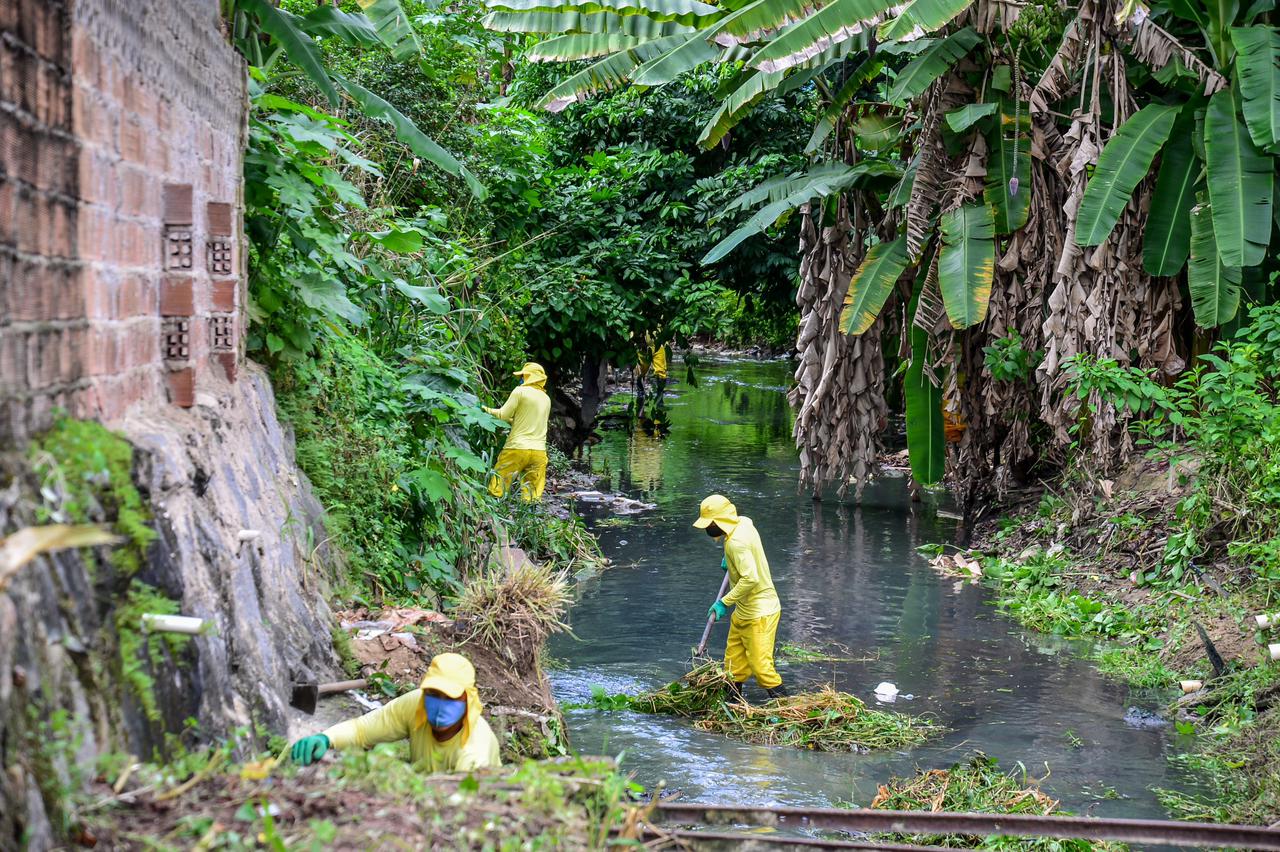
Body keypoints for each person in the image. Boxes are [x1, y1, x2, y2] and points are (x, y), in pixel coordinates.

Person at [289, 653, 502, 773]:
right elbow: (362, 730)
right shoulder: (415, 705)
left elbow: (461, 803)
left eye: (451, 698)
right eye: (434, 694)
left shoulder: (474, 750)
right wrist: (326, 738)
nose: (440, 704)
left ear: (468, 699)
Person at [693, 494, 787, 702]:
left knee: (762, 668)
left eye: (710, 524)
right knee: (733, 666)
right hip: (744, 612)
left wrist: (723, 602)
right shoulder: (743, 523)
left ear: (719, 522)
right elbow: (746, 529)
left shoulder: (736, 543)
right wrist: (729, 558)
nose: (708, 529)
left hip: (761, 613)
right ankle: (731, 706)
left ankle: (786, 709)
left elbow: (750, 579)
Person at [483, 362, 551, 501]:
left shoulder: (520, 391)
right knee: (532, 494)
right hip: (539, 452)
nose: (521, 379)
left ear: (529, 377)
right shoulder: (546, 398)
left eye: (523, 376)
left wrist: (484, 409)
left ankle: (493, 515)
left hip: (516, 449)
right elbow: (527, 421)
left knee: (498, 486)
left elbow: (503, 415)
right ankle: (529, 517)